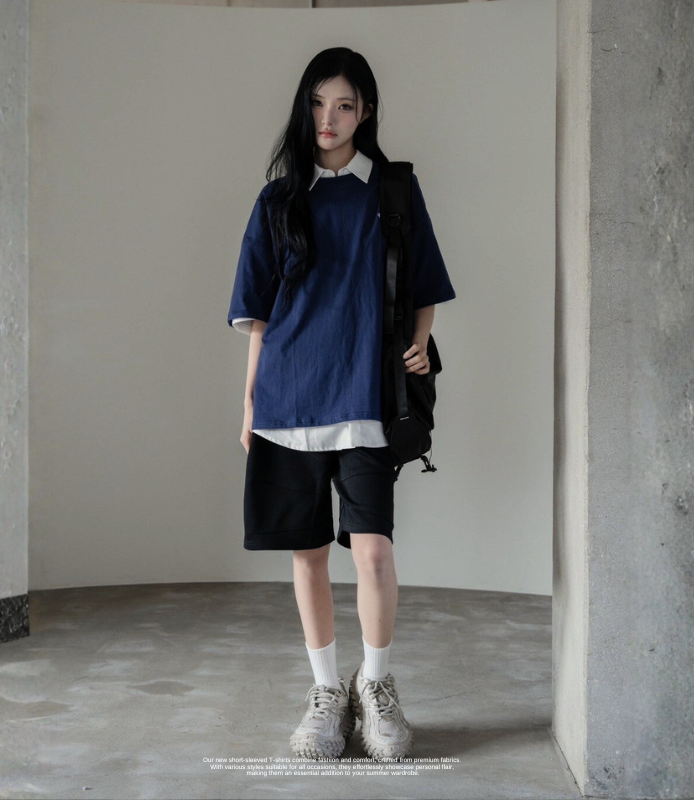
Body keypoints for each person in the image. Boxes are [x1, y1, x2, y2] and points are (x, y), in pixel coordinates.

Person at [226, 47, 456, 762]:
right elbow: (260, 315)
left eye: (345, 105)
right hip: (289, 398)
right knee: (308, 556)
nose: (328, 119)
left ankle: (375, 686)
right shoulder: (277, 201)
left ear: (366, 112)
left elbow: (424, 284)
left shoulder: (392, 191)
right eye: (318, 103)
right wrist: (249, 403)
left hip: (363, 398)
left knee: (374, 552)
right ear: (305, 108)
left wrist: (418, 344)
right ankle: (327, 692)